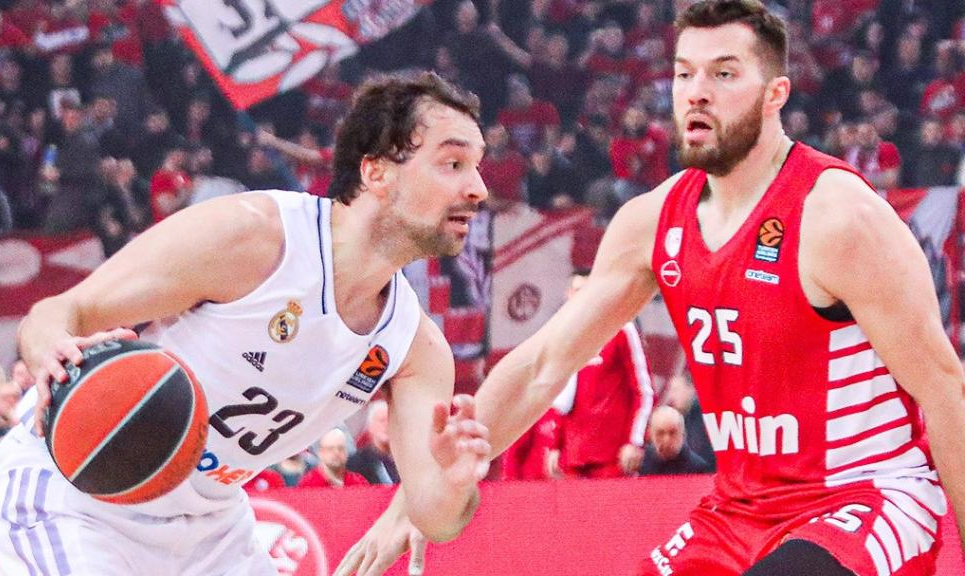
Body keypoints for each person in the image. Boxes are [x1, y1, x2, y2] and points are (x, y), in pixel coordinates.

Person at [338, 3, 965, 575]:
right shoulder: (651, 223)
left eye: (723, 74)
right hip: (739, 508)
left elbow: (943, 386)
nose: (696, 93)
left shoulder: (839, 217)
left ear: (776, 94)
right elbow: (542, 366)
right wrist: (413, 501)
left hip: (863, 495)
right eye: (684, 73)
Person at [0, 71, 492, 576]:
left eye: (477, 166)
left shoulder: (416, 347)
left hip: (208, 529)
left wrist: (453, 481)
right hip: (76, 495)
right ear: (377, 172)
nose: (478, 188)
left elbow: (434, 514)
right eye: (452, 163)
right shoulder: (255, 238)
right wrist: (51, 351)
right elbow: (56, 314)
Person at [546, 269, 654, 479]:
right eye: (575, 291)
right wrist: (554, 445)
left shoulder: (622, 329)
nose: (579, 297)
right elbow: (562, 396)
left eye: (585, 291)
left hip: (613, 459)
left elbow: (644, 391)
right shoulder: (566, 339)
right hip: (573, 458)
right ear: (567, 295)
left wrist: (635, 441)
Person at [639, 405, 712, 476]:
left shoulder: (697, 469)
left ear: (683, 434)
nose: (666, 440)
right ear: (651, 435)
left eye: (673, 433)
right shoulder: (641, 464)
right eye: (660, 433)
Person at [347, 399, 400, 485]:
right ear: (370, 427)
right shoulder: (355, 464)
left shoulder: (407, 460)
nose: (386, 425)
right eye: (382, 421)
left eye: (390, 421)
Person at [298, 428, 370, 488]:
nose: (336, 453)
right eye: (330, 449)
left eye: (340, 448)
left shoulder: (358, 482)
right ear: (321, 453)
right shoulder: (308, 484)